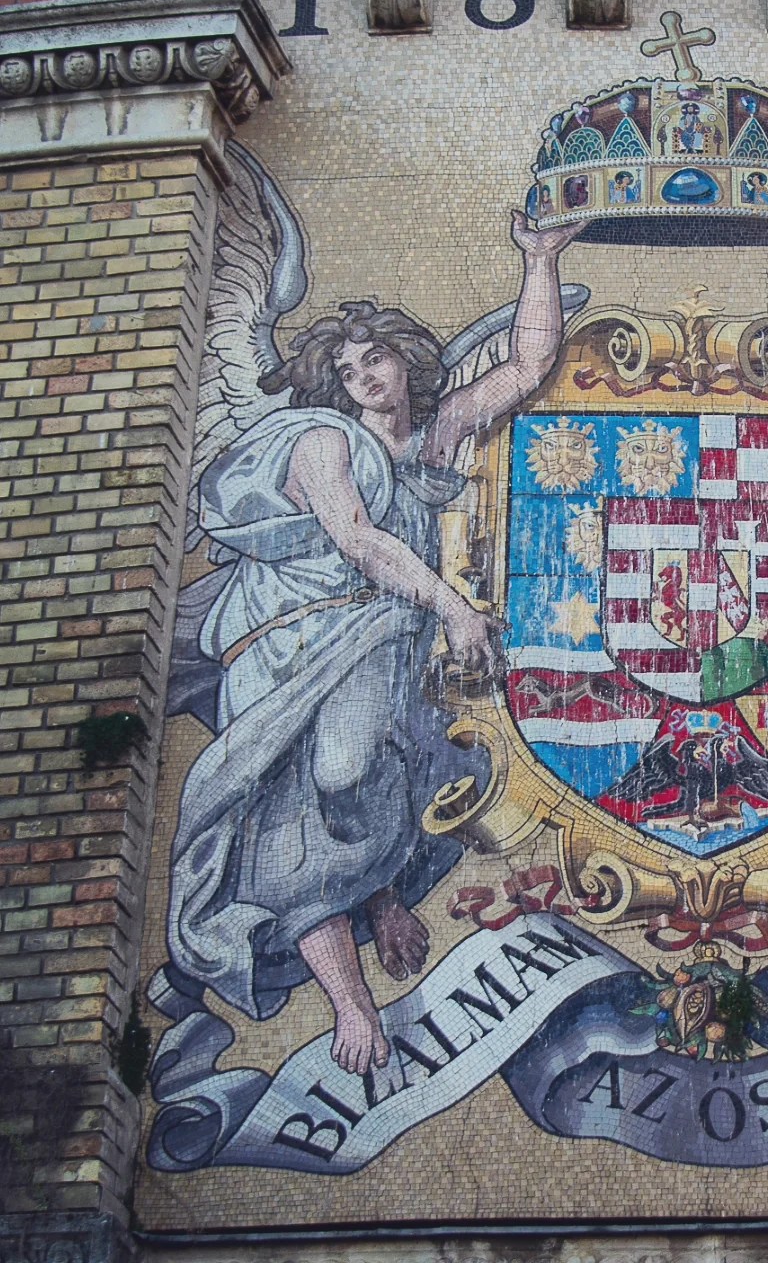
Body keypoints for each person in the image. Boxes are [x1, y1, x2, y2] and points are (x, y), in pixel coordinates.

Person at [161, 210, 584, 1077]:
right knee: (302, 800)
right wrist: (454, 608)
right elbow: (357, 539)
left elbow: (528, 366)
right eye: (345, 369)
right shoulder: (322, 443)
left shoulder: (433, 433)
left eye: (375, 358)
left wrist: (540, 256)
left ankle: (379, 890)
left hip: (380, 639)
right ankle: (352, 1003)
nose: (362, 378)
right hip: (288, 646)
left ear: (402, 357)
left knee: (358, 772)